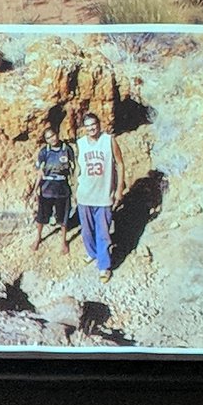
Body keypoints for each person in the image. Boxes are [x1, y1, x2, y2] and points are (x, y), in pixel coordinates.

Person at [75, 112, 124, 282]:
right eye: (87, 126)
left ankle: (104, 265)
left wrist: (119, 188)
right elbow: (77, 169)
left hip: (103, 196)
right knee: (87, 231)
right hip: (85, 195)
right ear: (84, 128)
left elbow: (120, 163)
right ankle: (93, 253)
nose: (91, 128)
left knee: (103, 232)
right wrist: (76, 189)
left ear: (99, 124)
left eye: (93, 124)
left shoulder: (109, 140)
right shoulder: (80, 144)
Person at [30, 126, 75, 253]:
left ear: (57, 134)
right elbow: (40, 172)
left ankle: (63, 241)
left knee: (63, 217)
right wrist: (35, 190)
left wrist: (75, 187)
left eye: (53, 135)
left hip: (62, 188)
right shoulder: (44, 152)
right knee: (42, 216)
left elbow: (73, 169)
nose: (52, 139)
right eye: (48, 138)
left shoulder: (67, 149)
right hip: (47, 189)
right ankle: (38, 238)